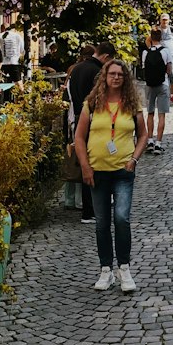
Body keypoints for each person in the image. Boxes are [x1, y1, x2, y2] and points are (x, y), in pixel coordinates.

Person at [75, 58, 148, 292]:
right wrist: (85, 166)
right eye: (112, 74)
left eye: (120, 74)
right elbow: (79, 137)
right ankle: (106, 269)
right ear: (104, 77)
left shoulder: (131, 104)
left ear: (125, 78)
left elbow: (144, 135)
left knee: (121, 219)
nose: (116, 77)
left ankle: (124, 268)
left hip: (122, 171)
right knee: (102, 223)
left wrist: (134, 159)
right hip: (97, 171)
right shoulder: (92, 103)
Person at [67, 42, 116, 223]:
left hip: (79, 117)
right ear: (106, 57)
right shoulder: (97, 72)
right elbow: (100, 98)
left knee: (85, 162)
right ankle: (91, 210)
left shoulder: (77, 69)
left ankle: (89, 209)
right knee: (95, 163)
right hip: (93, 121)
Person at [142, 28, 173, 154]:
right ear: (161, 37)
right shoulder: (166, 51)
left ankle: (149, 140)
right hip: (163, 84)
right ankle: (158, 144)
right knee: (161, 115)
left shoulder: (145, 52)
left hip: (149, 85)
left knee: (150, 113)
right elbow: (169, 69)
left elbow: (144, 69)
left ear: (150, 37)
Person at [159, 13, 173, 105]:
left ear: (169, 20)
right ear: (160, 20)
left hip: (171, 57)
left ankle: (172, 95)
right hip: (160, 57)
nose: (165, 21)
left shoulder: (172, 29)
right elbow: (149, 40)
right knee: (161, 77)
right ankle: (163, 96)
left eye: (166, 20)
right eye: (163, 19)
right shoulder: (157, 30)